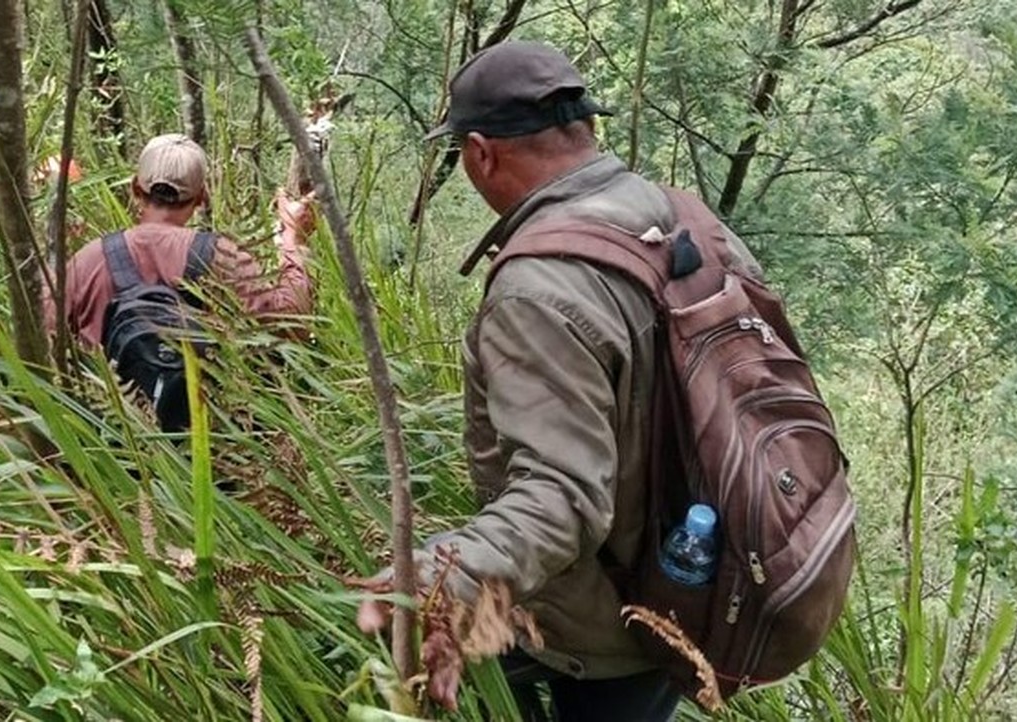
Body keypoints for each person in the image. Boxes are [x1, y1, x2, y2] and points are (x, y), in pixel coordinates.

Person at [358, 42, 762, 721]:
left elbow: (565, 496)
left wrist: (444, 577)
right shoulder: (684, 217)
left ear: (481, 153)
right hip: (693, 575)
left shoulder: (537, 291)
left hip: (600, 619)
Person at [44, 133, 316, 427]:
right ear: (202, 197)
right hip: (208, 447)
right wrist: (292, 238)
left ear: (136, 187)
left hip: (110, 448)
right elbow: (293, 324)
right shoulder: (221, 256)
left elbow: (42, 341)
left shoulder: (86, 260)